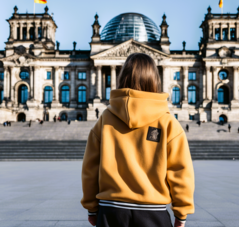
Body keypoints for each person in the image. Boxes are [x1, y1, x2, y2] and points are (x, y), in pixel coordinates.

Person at [81, 53, 195, 227]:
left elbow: (90, 168)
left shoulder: (104, 119)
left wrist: (92, 208)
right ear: (155, 79)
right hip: (153, 211)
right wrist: (182, 212)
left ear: (122, 78)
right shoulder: (168, 122)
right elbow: (180, 170)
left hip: (111, 211)